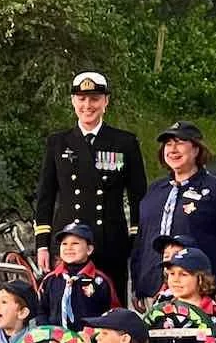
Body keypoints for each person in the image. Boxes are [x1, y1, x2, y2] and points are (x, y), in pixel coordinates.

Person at [33, 71, 146, 304]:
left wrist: (137, 245)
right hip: (68, 243)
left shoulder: (124, 142)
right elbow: (45, 197)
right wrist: (42, 245)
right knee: (64, 312)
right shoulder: (58, 142)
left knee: (110, 314)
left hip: (109, 244)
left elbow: (138, 197)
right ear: (73, 101)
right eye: (82, 99)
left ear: (106, 101)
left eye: (94, 99)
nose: (88, 105)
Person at [131, 121, 216, 299]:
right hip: (152, 289)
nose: (172, 150)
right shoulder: (154, 190)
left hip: (197, 291)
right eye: (168, 144)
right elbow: (141, 240)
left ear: (196, 149)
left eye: (179, 143)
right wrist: (137, 285)